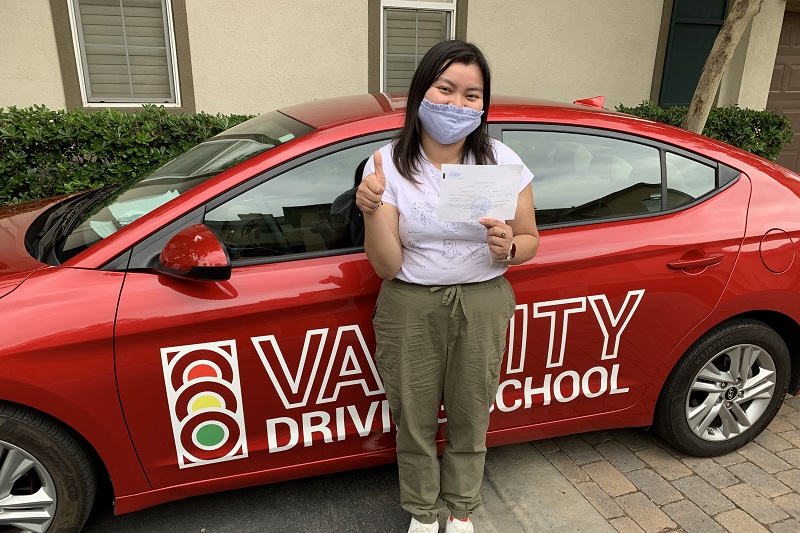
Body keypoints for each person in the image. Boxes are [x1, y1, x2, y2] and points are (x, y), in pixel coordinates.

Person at [356, 40, 539, 533]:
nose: (457, 105)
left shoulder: (501, 160)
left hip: (482, 300)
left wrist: (508, 246)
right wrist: (372, 211)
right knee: (413, 415)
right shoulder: (386, 164)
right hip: (410, 303)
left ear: (484, 104)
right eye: (446, 89)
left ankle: (459, 508)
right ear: (421, 92)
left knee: (470, 411)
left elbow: (530, 239)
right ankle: (422, 510)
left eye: (472, 95)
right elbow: (387, 266)